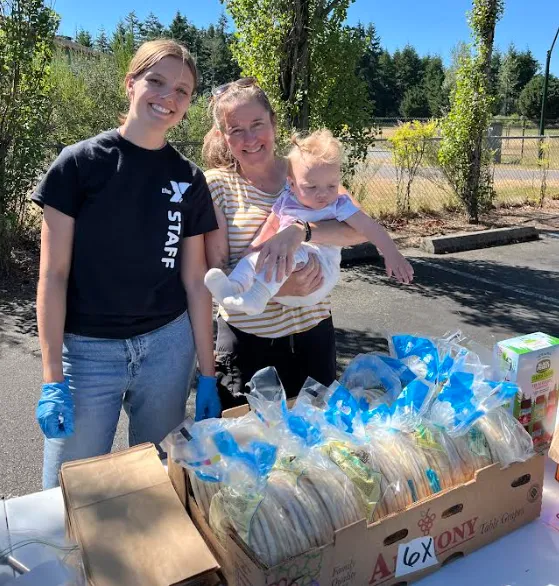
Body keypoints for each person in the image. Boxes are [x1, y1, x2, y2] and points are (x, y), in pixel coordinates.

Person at [33, 39, 221, 489]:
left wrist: (208, 375)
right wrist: (52, 378)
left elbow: (195, 283)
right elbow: (52, 276)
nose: (168, 97)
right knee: (67, 490)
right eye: (156, 81)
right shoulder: (78, 165)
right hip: (87, 351)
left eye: (182, 91)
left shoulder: (188, 179)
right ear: (130, 83)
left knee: (160, 484)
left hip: (167, 350)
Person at [202, 78, 413, 410]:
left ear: (273, 122)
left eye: (257, 124)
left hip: (312, 336)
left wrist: (302, 231)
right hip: (248, 344)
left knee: (316, 443)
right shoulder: (216, 185)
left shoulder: (311, 167)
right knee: (249, 447)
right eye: (236, 129)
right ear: (223, 136)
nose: (250, 138)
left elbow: (357, 229)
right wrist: (286, 287)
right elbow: (218, 269)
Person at [205, 128, 413, 315]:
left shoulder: (338, 204)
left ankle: (256, 297)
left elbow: (368, 227)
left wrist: (391, 253)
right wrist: (251, 252)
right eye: (312, 188)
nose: (323, 194)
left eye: (332, 186)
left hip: (318, 273)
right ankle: (233, 288)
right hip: (285, 279)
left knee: (293, 251)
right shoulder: (287, 199)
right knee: (256, 258)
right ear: (292, 185)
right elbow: (270, 226)